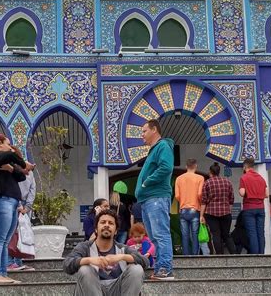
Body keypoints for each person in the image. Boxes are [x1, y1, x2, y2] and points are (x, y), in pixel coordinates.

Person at [0, 134, 35, 284]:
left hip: (11, 201)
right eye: (8, 144)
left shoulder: (5, 160)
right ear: (0, 144)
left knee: (5, 240)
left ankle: (3, 273)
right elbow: (21, 164)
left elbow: (22, 176)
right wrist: (19, 161)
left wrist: (11, 168)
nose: (10, 147)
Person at [63, 209, 149, 296]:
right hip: (92, 289)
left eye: (111, 223)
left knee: (136, 269)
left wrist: (122, 257)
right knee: (85, 270)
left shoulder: (122, 249)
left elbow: (145, 261)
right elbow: (67, 264)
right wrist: (89, 260)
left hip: (117, 289)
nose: (107, 225)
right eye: (103, 222)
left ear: (115, 231)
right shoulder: (84, 247)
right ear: (96, 229)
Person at [135, 119, 174, 280]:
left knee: (160, 234)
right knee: (155, 237)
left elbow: (166, 167)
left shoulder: (162, 146)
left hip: (156, 197)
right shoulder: (154, 150)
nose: (142, 135)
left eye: (144, 131)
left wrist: (146, 182)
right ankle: (160, 269)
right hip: (149, 199)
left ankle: (165, 268)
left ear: (154, 130)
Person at [7, 146, 37, 272]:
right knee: (12, 233)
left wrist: (27, 207)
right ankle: (9, 262)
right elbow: (12, 187)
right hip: (15, 202)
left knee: (21, 234)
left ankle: (18, 262)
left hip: (23, 205)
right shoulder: (10, 169)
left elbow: (32, 188)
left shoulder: (25, 169)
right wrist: (21, 206)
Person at [200, 162, 236, 254]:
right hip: (226, 213)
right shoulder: (227, 182)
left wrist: (201, 215)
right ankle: (234, 254)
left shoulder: (207, 183)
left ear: (210, 172)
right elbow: (231, 199)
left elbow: (203, 201)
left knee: (216, 234)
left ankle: (219, 255)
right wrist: (229, 211)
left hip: (211, 213)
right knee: (227, 235)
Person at [174, 158, 204, 255]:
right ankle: (195, 255)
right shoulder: (200, 178)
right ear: (196, 166)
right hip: (195, 209)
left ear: (186, 167)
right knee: (194, 234)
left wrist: (183, 201)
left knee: (184, 235)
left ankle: (186, 255)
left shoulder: (179, 178)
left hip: (183, 209)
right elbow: (200, 194)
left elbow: (177, 196)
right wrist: (200, 203)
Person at [239, 157, 268, 254]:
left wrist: (242, 189)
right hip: (261, 208)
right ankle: (262, 254)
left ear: (244, 167)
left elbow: (242, 193)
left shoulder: (244, 177)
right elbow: (267, 194)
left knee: (252, 233)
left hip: (249, 208)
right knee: (261, 232)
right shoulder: (261, 178)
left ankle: (255, 256)